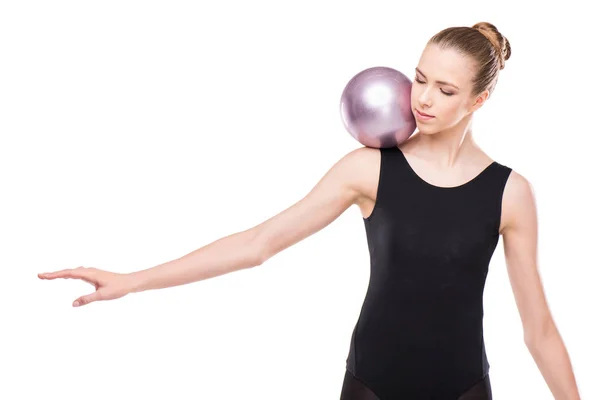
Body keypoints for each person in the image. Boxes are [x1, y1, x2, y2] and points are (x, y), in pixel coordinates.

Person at [38, 22, 581, 400]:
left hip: (464, 388)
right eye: (419, 78)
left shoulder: (510, 192)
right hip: (372, 383)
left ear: (478, 100)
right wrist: (133, 280)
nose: (423, 99)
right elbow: (258, 244)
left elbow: (540, 331)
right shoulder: (368, 169)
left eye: (444, 89)